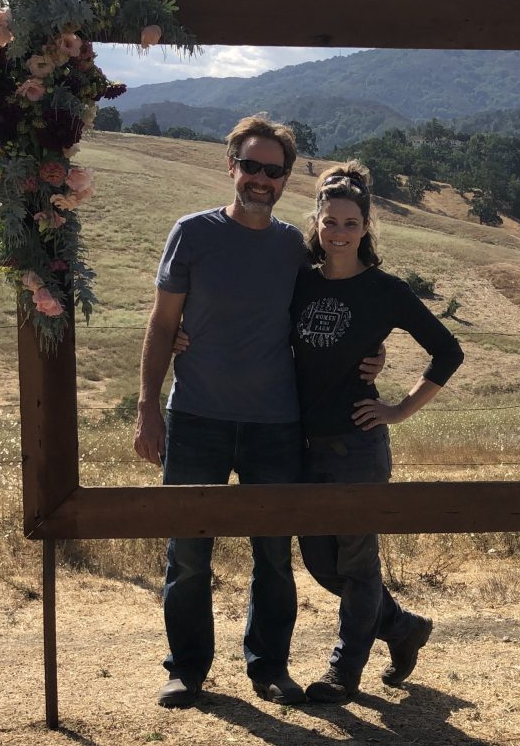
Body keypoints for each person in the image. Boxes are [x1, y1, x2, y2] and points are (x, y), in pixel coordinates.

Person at [133, 115, 381, 710]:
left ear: (286, 178)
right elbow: (163, 324)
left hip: (276, 424)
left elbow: (340, 299)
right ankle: (186, 669)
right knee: (187, 553)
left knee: (273, 554)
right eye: (251, 165)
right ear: (231, 166)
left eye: (274, 170)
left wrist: (371, 352)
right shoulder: (192, 233)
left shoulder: (295, 247)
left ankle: (269, 668)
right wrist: (148, 407)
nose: (261, 179)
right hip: (196, 418)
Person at [291, 160, 464, 704]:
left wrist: (399, 410)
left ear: (366, 227)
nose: (339, 232)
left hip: (357, 447)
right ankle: (402, 627)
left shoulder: (386, 291)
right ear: (317, 223)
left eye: (350, 223)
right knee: (322, 564)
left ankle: (343, 671)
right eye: (330, 222)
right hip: (301, 445)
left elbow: (448, 351)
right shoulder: (299, 281)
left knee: (358, 563)